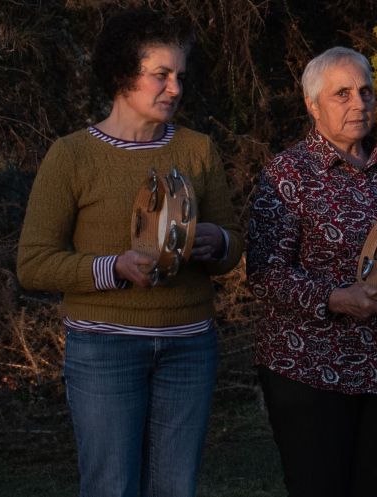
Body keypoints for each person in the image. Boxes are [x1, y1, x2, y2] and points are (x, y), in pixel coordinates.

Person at [14, 9, 244, 496]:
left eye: (180, 76)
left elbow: (231, 244)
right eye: (161, 75)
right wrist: (112, 268)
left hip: (190, 347)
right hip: (105, 350)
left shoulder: (199, 149)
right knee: (111, 487)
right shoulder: (72, 155)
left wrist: (217, 242)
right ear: (123, 74)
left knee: (174, 488)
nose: (175, 88)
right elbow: (33, 262)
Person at [246, 46, 377, 497]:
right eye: (342, 94)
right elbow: (264, 274)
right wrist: (334, 298)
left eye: (365, 91)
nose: (359, 103)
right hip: (309, 374)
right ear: (312, 104)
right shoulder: (288, 175)